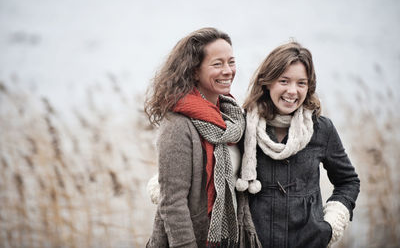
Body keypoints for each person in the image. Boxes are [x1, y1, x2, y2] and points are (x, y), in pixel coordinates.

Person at [235, 41, 360, 248]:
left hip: (308, 242)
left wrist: (330, 225)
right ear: (267, 82)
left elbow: (348, 181)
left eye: (301, 83)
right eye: (284, 81)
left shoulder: (321, 129)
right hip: (253, 243)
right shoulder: (243, 125)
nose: (292, 91)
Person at [144, 27, 261, 248]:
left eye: (231, 62)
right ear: (194, 71)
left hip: (231, 239)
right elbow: (172, 204)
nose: (228, 71)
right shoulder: (177, 125)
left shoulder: (234, 118)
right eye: (217, 64)